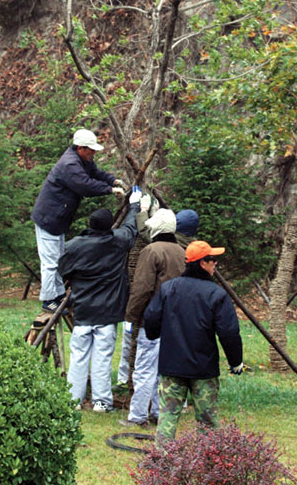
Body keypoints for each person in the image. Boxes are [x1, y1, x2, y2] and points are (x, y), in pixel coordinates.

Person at [143, 240, 245, 443]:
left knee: (167, 419)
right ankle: (208, 465)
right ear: (202, 264)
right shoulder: (216, 294)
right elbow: (229, 333)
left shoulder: (168, 289)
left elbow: (150, 318)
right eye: (212, 260)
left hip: (171, 368)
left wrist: (154, 334)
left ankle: (162, 465)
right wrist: (236, 362)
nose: (215, 263)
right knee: (207, 422)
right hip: (203, 370)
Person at [57, 188, 142, 412]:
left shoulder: (75, 245)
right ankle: (102, 402)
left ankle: (73, 400)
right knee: (103, 358)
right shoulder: (117, 243)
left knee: (78, 356)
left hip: (83, 310)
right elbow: (131, 228)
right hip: (108, 312)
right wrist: (134, 205)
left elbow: (62, 268)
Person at [31, 128, 126, 313]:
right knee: (50, 262)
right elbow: (85, 185)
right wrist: (110, 190)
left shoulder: (83, 160)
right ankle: (48, 300)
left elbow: (96, 174)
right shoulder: (70, 165)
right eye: (91, 150)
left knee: (58, 259)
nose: (94, 153)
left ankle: (58, 296)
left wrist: (114, 181)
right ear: (80, 148)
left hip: (57, 219)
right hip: (48, 218)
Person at [119, 207, 185, 428]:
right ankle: (159, 412)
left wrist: (131, 315)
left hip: (154, 320)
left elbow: (143, 288)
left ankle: (137, 416)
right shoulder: (182, 252)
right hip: (176, 321)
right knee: (164, 370)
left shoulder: (151, 251)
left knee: (145, 369)